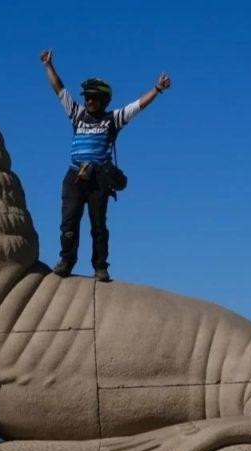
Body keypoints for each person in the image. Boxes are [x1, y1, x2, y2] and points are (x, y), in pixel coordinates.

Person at [40, 49, 170, 282]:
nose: (88, 101)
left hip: (99, 178)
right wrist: (49, 66)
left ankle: (100, 266)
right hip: (75, 175)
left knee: (98, 225)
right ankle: (66, 261)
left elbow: (137, 106)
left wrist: (157, 90)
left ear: (104, 100)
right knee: (68, 222)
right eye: (87, 97)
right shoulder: (77, 114)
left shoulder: (113, 119)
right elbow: (59, 90)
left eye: (93, 98)